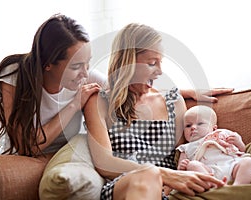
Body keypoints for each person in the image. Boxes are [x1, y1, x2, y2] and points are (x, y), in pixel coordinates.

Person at [84, 23, 226, 200]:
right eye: (152, 63)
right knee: (146, 176)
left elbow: (184, 154)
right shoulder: (99, 102)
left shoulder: (173, 101)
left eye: (161, 62)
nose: (159, 72)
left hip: (168, 190)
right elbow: (104, 163)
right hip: (126, 186)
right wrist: (162, 174)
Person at [0, 14, 105, 156]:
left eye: (87, 63)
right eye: (76, 66)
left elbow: (122, 92)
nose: (85, 74)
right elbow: (26, 147)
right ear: (48, 64)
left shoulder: (85, 76)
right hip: (17, 161)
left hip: (59, 159)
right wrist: (74, 104)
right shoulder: (15, 75)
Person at [176, 105, 251, 185]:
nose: (193, 127)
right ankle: (212, 185)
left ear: (213, 128)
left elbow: (242, 149)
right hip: (207, 171)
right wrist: (182, 166)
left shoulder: (222, 133)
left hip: (232, 165)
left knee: (249, 161)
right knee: (192, 165)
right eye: (188, 126)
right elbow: (180, 170)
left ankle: (238, 185)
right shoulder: (185, 147)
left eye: (200, 123)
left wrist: (238, 142)